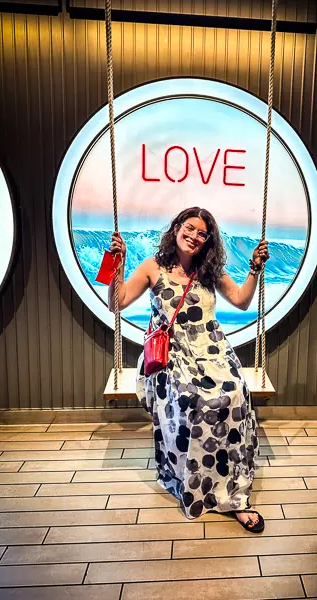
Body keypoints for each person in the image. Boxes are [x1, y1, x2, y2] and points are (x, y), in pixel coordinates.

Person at [108, 207, 270, 532]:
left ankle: (234, 494)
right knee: (196, 401)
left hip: (212, 352)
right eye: (190, 228)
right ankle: (198, 484)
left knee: (237, 395)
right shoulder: (154, 267)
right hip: (172, 356)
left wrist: (255, 268)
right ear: (177, 227)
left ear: (207, 241)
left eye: (202, 233)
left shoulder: (208, 270)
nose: (194, 236)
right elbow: (116, 302)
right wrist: (116, 264)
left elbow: (241, 300)